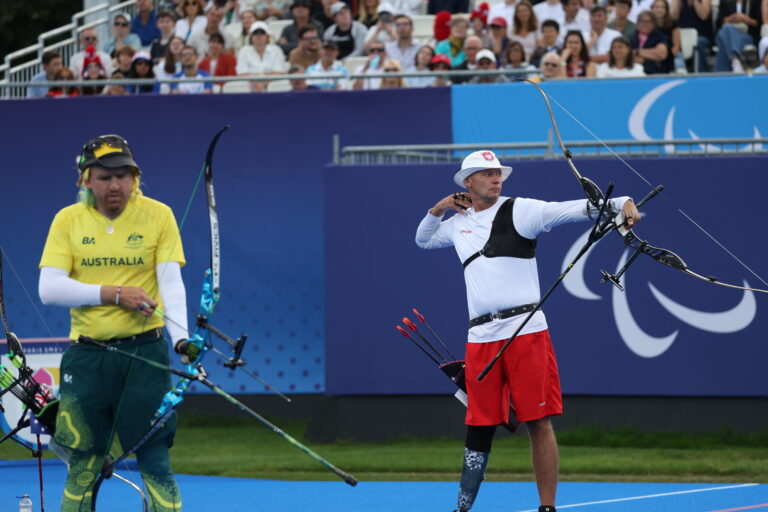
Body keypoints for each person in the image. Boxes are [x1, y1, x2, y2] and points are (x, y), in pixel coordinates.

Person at [414, 150, 640, 512]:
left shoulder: (521, 210)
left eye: (498, 173)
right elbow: (423, 240)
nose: (496, 178)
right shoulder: (458, 223)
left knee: (538, 420)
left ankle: (547, 507)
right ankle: (462, 507)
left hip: (525, 332)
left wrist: (621, 203)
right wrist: (439, 207)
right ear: (467, 183)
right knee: (479, 423)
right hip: (481, 337)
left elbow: (571, 209)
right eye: (486, 174)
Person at [39, 134, 190, 512]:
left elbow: (171, 283)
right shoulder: (67, 220)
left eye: (124, 175)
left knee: (154, 457)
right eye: (105, 176)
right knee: (84, 462)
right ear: (85, 179)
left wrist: (182, 341)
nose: (116, 185)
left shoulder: (159, 215)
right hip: (88, 357)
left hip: (146, 354)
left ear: (135, 178)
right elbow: (49, 288)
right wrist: (113, 294)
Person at [236, 22, 288, 91]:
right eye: (255, 33)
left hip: (273, 88)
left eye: (262, 33)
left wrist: (262, 82)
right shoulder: (244, 51)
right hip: (250, 88)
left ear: (267, 36)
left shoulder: (276, 50)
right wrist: (258, 81)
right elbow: (242, 73)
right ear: (251, 37)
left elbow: (279, 72)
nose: (259, 36)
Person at [712, 0, 762, 71]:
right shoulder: (725, 2)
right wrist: (731, 18)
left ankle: (720, 75)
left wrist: (746, 19)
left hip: (746, 36)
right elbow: (719, 23)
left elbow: (759, 24)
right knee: (727, 28)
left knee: (724, 43)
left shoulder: (753, 2)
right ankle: (735, 60)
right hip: (726, 33)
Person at [670, 0, 712, 71]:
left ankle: (701, 74)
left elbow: (703, 16)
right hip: (681, 37)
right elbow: (673, 18)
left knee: (698, 42)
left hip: (701, 35)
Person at [652, 0, 684, 70]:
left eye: (662, 7)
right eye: (656, 7)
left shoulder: (673, 24)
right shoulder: (648, 25)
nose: (659, 10)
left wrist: (666, 57)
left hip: (673, 54)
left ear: (666, 9)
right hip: (654, 54)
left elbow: (676, 46)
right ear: (652, 9)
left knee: (679, 64)